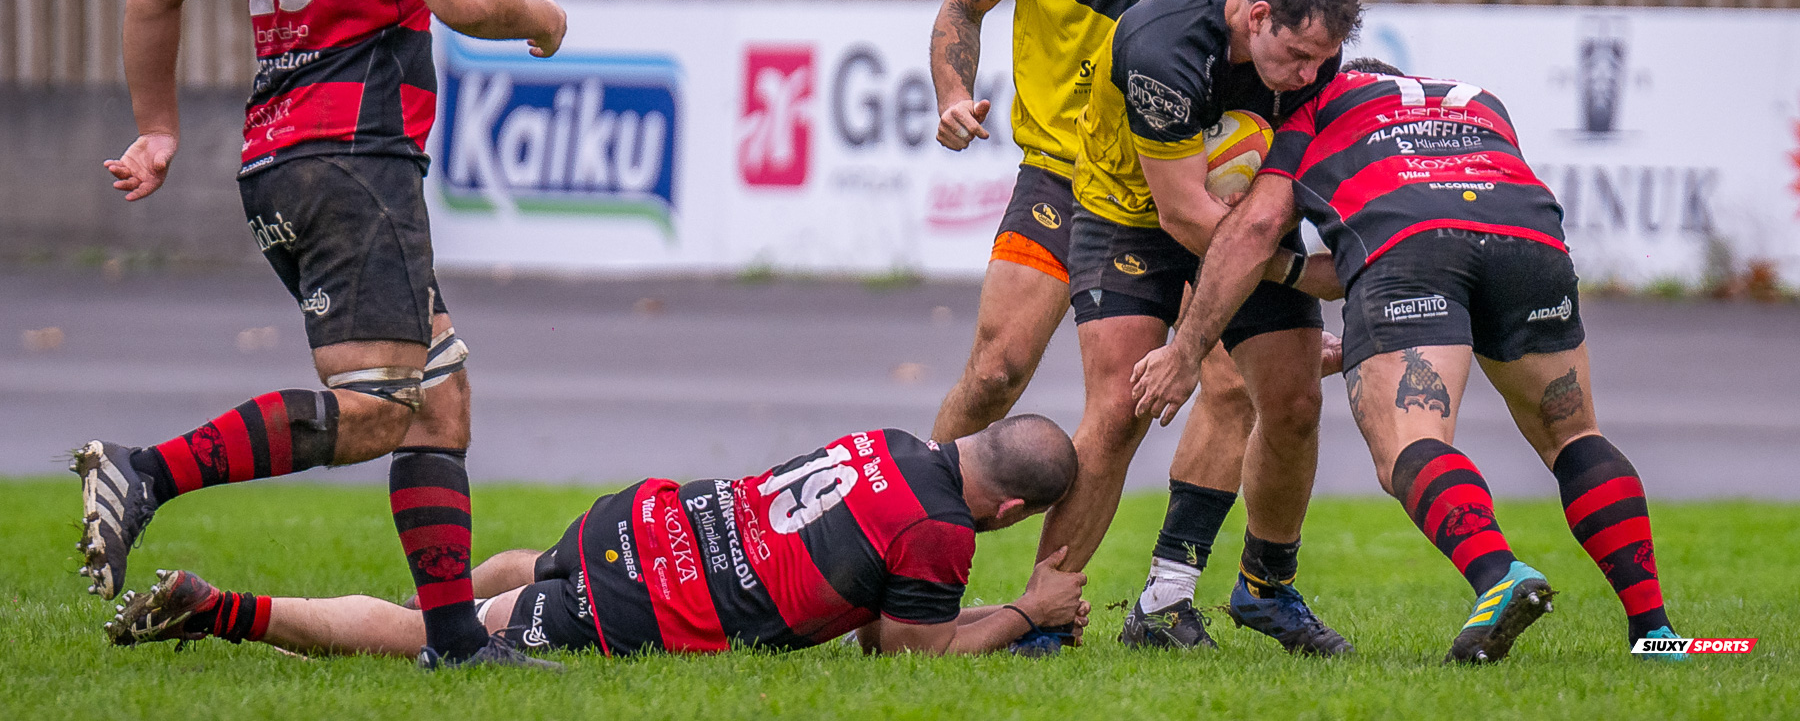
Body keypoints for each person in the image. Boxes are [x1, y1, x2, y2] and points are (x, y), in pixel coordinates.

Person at [77, 0, 568, 670]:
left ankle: (458, 644)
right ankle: (142, 470)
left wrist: (158, 129)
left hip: (279, 169)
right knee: (384, 405)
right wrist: (540, 17)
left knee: (443, 398)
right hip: (355, 169)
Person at [927, 0, 1289, 648]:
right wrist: (955, 92)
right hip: (1060, 172)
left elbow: (1284, 15)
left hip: (1184, 173)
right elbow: (960, 8)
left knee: (1177, 394)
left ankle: (1069, 609)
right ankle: (904, 544)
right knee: (999, 369)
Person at [1131, 58, 1687, 663]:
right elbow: (1465, 221)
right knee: (1574, 434)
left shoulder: (1316, 107)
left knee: (1409, 440)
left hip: (1410, 249)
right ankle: (1656, 632)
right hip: (1532, 241)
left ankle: (1498, 575)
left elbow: (1265, 223)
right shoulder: (1480, 101)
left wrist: (1247, 274)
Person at [105, 416, 1088, 663]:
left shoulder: (895, 444)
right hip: (653, 596)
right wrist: (1026, 610)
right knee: (446, 640)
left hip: (652, 514)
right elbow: (905, 650)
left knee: (517, 565)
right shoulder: (940, 531)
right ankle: (219, 607)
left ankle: (422, 599)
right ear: (1007, 512)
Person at [1054, 0, 1361, 655]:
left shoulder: (1313, 58)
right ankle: (1044, 609)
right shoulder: (1164, 49)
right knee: (1121, 410)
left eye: (1324, 59)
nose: (1312, 75)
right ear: (1257, 16)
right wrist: (1205, 336)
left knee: (1290, 400)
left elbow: (1281, 193)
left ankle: (1242, 591)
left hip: (1245, 223)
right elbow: (1184, 215)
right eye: (1299, 58)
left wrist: (1284, 278)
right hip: (1132, 211)